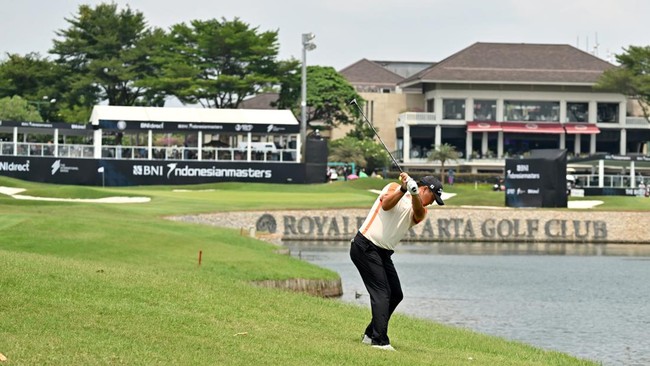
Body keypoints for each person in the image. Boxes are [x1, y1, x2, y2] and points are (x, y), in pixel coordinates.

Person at [350, 172, 444, 351]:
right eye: (433, 197)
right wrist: (403, 189)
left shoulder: (421, 209)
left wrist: (414, 194)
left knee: (395, 294)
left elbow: (416, 212)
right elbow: (386, 204)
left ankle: (371, 334)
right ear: (426, 189)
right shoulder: (393, 187)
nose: (433, 202)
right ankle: (379, 341)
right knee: (381, 292)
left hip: (383, 253)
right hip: (365, 246)